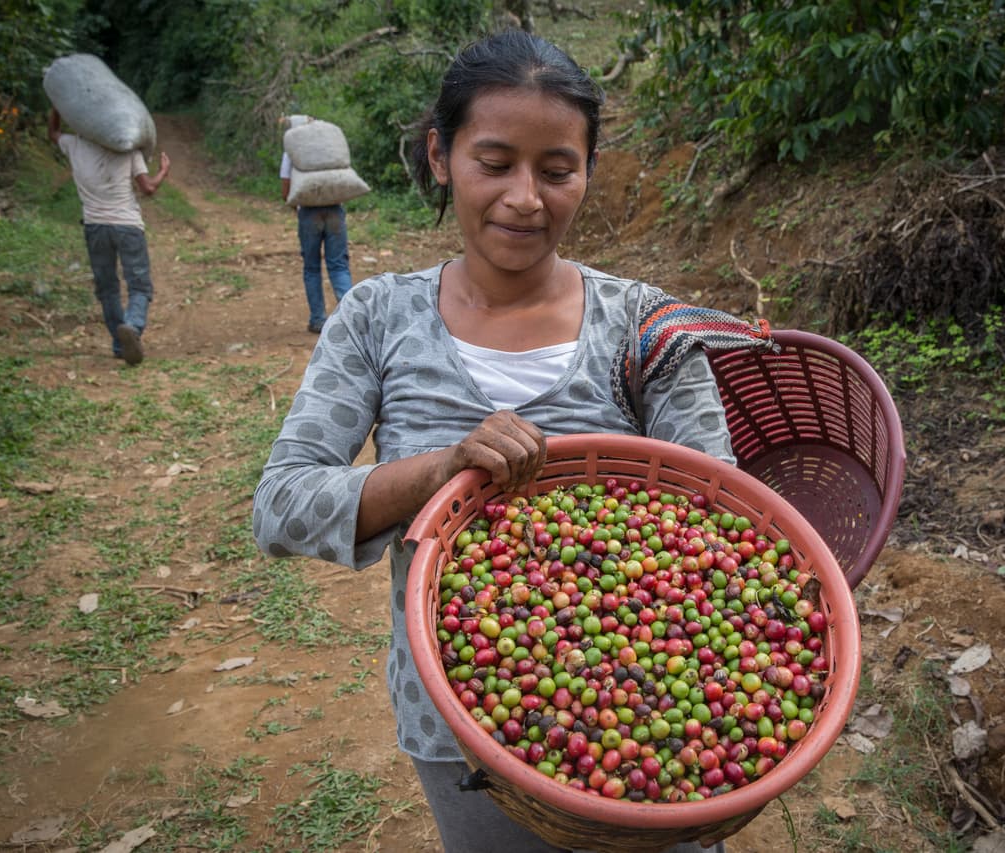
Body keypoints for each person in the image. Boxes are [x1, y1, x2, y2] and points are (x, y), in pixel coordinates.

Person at [254, 30, 770, 853]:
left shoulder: (645, 325)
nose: (525, 197)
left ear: (588, 172)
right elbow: (281, 506)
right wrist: (441, 468)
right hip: (462, 724)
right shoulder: (377, 319)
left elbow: (723, 515)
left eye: (557, 170)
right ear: (439, 156)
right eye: (494, 163)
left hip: (660, 733)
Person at [49, 108, 170, 366]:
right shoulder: (128, 149)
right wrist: (163, 171)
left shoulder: (75, 145)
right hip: (127, 226)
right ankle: (133, 328)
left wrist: (59, 107)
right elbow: (147, 188)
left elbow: (53, 133)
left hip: (95, 227)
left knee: (108, 289)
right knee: (139, 286)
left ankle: (119, 344)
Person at [279, 115, 353, 333]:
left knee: (312, 267)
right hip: (335, 212)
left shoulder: (291, 151)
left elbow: (285, 188)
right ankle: (352, 318)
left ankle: (318, 319)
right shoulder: (328, 147)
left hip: (308, 214)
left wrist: (297, 204)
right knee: (338, 265)